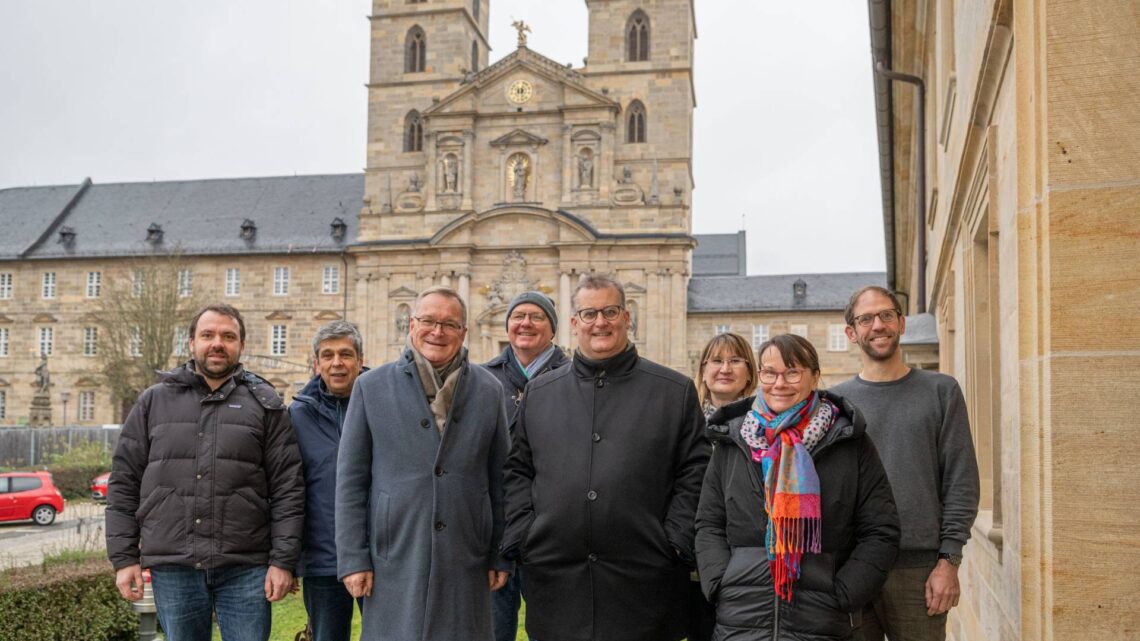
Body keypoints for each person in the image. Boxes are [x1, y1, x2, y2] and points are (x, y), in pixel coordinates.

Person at [502, 274, 709, 641]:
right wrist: (525, 534)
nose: (600, 322)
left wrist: (673, 540)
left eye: (610, 311)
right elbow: (518, 470)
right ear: (573, 323)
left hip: (645, 580)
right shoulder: (540, 392)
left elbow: (696, 471)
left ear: (627, 318)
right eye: (589, 313)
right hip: (557, 580)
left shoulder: (672, 391)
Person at [106, 303, 304, 641]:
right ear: (191, 343)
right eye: (208, 335)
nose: (217, 343)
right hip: (175, 566)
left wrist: (283, 561)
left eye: (228, 336)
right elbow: (124, 484)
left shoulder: (266, 405)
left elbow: (289, 488)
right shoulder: (153, 402)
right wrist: (124, 559)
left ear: (241, 346)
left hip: (246, 566)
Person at [695, 334, 900, 640]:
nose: (780, 383)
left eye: (792, 372)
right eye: (770, 373)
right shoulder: (734, 441)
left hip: (822, 618)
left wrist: (843, 593)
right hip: (741, 618)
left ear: (815, 376)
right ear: (759, 375)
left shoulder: (847, 441)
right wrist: (721, 582)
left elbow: (881, 529)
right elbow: (709, 523)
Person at [336, 286, 511, 641]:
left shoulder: (489, 390)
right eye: (429, 320)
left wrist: (499, 554)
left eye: (449, 324)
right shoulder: (371, 387)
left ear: (463, 332)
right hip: (396, 549)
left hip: (466, 553)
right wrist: (353, 558)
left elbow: (500, 481)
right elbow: (351, 482)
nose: (438, 331)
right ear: (411, 324)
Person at [832, 287, 979, 641]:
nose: (877, 325)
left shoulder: (941, 391)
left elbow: (961, 480)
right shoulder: (836, 403)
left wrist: (949, 561)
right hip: (851, 566)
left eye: (886, 315)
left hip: (919, 569)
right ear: (852, 333)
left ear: (902, 322)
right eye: (865, 319)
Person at [482, 291, 569, 641]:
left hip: (554, 527)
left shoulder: (574, 376)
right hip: (497, 526)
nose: (525, 323)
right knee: (492, 630)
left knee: (555, 629)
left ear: (552, 328)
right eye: (518, 316)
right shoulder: (483, 379)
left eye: (536, 316)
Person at [289, 321, 366, 641]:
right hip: (322, 555)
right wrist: (288, 557)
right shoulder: (297, 414)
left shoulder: (382, 404)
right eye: (328, 355)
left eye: (346, 354)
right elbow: (289, 488)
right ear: (316, 363)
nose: (337, 363)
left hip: (378, 552)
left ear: (360, 361)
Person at [685, 332, 760, 641]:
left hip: (750, 565)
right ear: (703, 371)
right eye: (716, 361)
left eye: (735, 360)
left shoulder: (766, 424)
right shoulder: (686, 424)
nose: (725, 368)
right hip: (694, 562)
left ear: (750, 373)